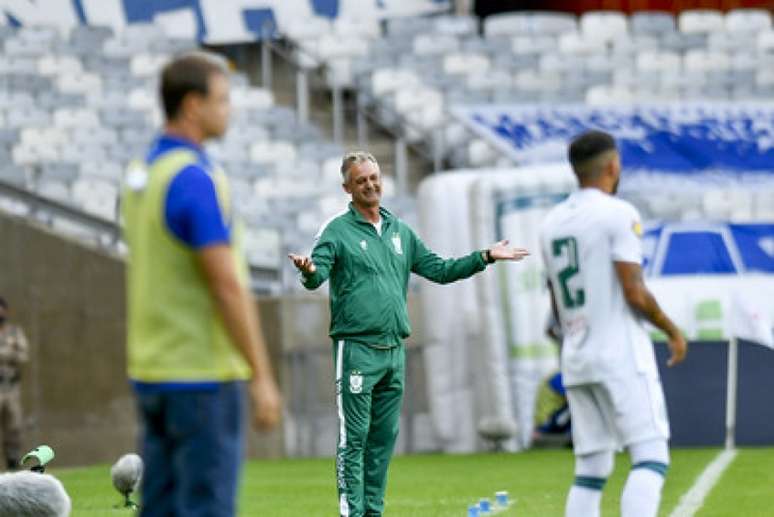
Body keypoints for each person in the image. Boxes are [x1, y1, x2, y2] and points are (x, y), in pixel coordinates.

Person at [288, 151, 529, 517]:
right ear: (347, 188)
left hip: (393, 351)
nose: (369, 184)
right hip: (356, 350)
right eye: (360, 180)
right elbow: (317, 275)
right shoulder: (336, 230)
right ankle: (351, 513)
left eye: (373, 177)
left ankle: (373, 511)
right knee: (354, 439)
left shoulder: (400, 231)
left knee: (383, 441)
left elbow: (442, 270)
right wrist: (307, 271)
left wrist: (486, 256)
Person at [120, 51, 282, 517]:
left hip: (152, 371)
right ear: (193, 105)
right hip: (202, 376)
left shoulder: (143, 174)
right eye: (223, 99)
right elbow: (225, 285)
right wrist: (262, 377)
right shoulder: (193, 179)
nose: (228, 109)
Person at [539, 130, 688, 517]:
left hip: (577, 356)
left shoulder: (551, 222)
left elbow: (555, 300)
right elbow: (634, 292)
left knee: (591, 469)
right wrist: (672, 331)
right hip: (619, 354)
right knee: (651, 458)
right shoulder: (618, 213)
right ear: (613, 165)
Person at [0, 297, 28, 471]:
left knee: (14, 428)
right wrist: (9, 352)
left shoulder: (15, 332)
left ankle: (13, 466)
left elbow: (23, 356)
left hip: (11, 388)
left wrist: (4, 354)